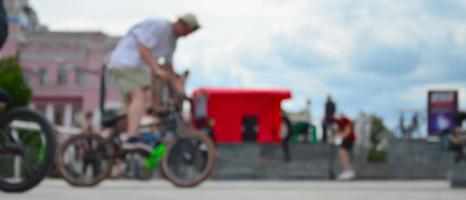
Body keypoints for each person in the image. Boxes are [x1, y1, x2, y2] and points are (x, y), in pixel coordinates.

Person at [107, 13, 200, 152]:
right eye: (187, 31)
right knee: (140, 96)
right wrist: (156, 70)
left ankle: (109, 140)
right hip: (127, 63)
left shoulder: (172, 41)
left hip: (135, 68)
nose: (186, 35)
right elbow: (144, 49)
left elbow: (168, 67)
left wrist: (178, 86)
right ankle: (131, 137)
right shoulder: (160, 26)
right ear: (181, 24)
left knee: (131, 107)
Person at [332, 112, 356, 180]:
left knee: (342, 153)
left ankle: (348, 171)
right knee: (342, 154)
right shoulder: (339, 122)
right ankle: (347, 171)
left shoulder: (345, 120)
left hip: (349, 139)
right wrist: (335, 137)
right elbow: (339, 132)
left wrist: (338, 137)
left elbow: (347, 132)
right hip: (346, 139)